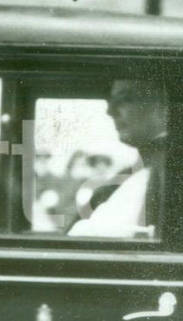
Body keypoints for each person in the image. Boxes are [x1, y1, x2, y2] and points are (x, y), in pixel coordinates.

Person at [69, 79, 166, 238]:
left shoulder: (168, 173)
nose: (110, 111)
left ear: (164, 106)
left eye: (124, 99)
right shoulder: (132, 174)